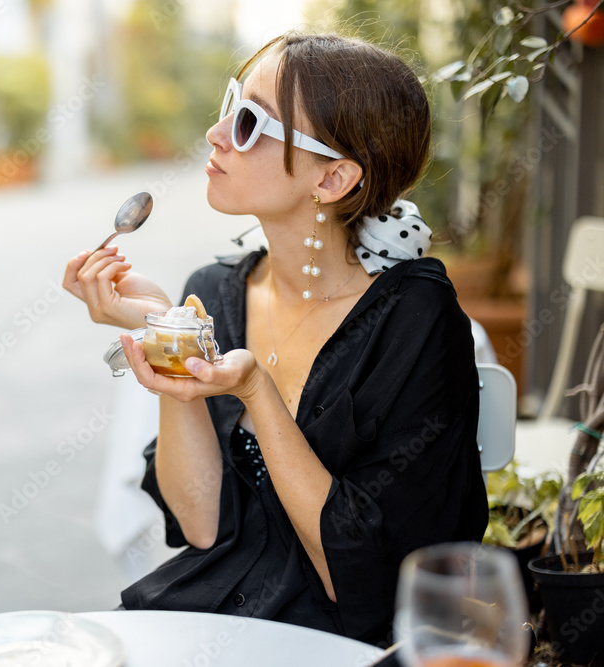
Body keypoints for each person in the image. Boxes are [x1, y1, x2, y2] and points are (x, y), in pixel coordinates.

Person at [62, 31, 487, 647]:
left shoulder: (413, 318)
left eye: (249, 121)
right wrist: (165, 330)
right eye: (230, 103)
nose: (215, 132)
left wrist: (258, 393)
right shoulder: (212, 290)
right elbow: (201, 524)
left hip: (349, 640)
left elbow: (364, 582)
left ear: (333, 178)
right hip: (212, 618)